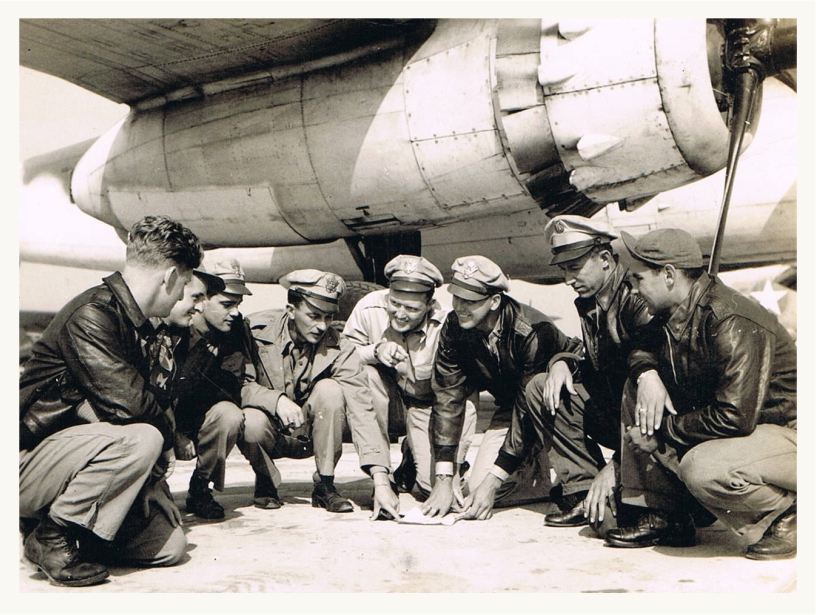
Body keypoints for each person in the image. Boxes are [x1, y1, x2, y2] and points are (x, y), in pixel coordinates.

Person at [19, 215, 202, 587]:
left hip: (80, 461)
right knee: (144, 437)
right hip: (28, 465)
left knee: (168, 546)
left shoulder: (137, 324)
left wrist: (150, 486)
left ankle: (73, 534)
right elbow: (131, 410)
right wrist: (165, 441)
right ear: (168, 277)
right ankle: (49, 535)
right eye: (183, 283)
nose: (183, 295)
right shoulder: (92, 315)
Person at [605, 228, 797, 560]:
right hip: (752, 433)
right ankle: (667, 514)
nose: (634, 290)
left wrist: (663, 433)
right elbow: (640, 345)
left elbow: (734, 416)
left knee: (703, 468)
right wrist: (647, 374)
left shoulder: (728, 318)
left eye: (638, 279)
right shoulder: (675, 311)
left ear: (668, 275)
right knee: (635, 390)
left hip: (788, 434)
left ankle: (789, 514)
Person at [422, 256, 604, 520]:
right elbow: (447, 397)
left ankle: (579, 471)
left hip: (560, 406)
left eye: (470, 301)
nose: (459, 307)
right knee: (474, 489)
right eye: (456, 297)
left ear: (494, 301)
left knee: (488, 487)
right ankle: (539, 479)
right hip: (514, 407)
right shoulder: (454, 327)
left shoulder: (530, 330)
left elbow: (527, 406)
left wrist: (494, 481)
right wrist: (443, 478)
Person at [241, 270, 400, 520]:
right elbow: (239, 384)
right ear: (291, 310)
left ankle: (325, 484)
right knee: (249, 419)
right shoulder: (254, 331)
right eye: (314, 316)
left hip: (311, 435)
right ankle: (265, 480)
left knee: (331, 390)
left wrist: (381, 482)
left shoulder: (340, 346)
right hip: (270, 431)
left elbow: (362, 408)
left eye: (328, 317)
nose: (322, 326)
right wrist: (276, 401)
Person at [534, 215, 651, 533]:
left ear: (604, 259)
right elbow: (595, 361)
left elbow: (655, 389)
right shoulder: (593, 301)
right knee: (541, 387)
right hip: (620, 416)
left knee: (609, 526)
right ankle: (581, 492)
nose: (568, 279)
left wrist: (615, 468)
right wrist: (562, 362)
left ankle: (635, 494)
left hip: (650, 425)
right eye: (563, 269)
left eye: (574, 267)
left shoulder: (636, 301)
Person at [343, 255, 477, 499]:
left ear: (429, 305)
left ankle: (414, 453)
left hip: (428, 406)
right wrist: (376, 350)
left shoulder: (447, 324)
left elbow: (458, 394)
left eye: (412, 308)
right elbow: (342, 356)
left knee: (430, 490)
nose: (401, 314)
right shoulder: (369, 307)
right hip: (388, 404)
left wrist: (449, 466)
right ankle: (381, 476)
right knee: (368, 377)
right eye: (395, 304)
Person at [161, 258, 259, 520]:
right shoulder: (172, 327)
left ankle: (200, 488)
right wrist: (176, 434)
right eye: (227, 304)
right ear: (202, 299)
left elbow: (231, 384)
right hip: (164, 415)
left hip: (200, 412)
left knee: (229, 415)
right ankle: (154, 490)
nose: (236, 312)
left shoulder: (234, 329)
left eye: (238, 304)